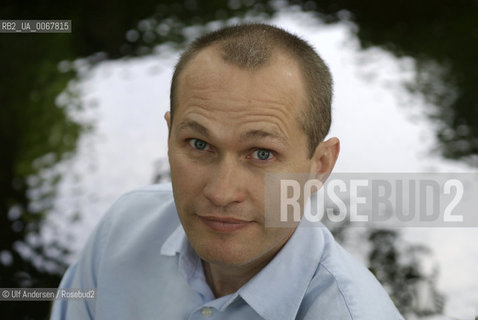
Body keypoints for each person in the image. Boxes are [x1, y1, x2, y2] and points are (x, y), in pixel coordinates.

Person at [50, 23, 403, 319]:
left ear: (320, 165)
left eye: (261, 153)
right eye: (199, 145)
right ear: (170, 135)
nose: (221, 192)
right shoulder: (121, 231)